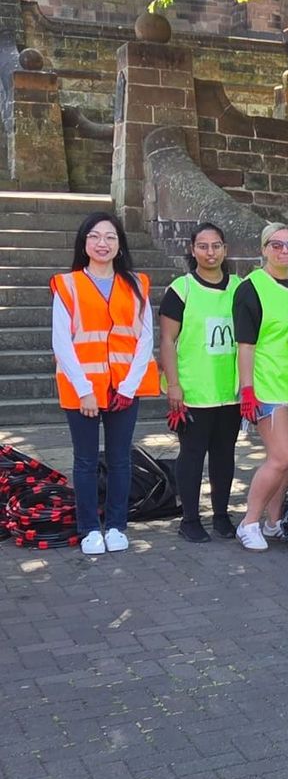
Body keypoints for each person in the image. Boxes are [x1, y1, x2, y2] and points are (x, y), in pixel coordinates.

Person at [51, 212, 159, 556]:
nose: (103, 243)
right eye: (95, 237)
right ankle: (88, 530)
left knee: (120, 460)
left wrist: (128, 387)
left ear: (119, 244)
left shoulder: (137, 283)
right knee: (84, 461)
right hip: (81, 388)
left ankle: (115, 526)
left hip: (125, 389)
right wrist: (84, 389)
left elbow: (145, 338)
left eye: (110, 237)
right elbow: (61, 342)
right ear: (84, 243)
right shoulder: (67, 285)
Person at [159, 224, 242, 543]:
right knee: (192, 456)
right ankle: (190, 519)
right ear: (192, 250)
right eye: (203, 246)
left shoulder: (239, 287)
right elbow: (167, 341)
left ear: (225, 249)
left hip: (229, 390)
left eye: (216, 246)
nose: (210, 252)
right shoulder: (181, 289)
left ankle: (221, 516)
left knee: (224, 455)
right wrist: (174, 385)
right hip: (193, 389)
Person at [233, 223, 288, 552]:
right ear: (264, 249)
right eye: (276, 245)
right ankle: (249, 521)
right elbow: (246, 346)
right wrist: (247, 390)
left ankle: (274, 521)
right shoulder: (252, 288)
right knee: (279, 457)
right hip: (268, 386)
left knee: (287, 460)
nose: (284, 251)